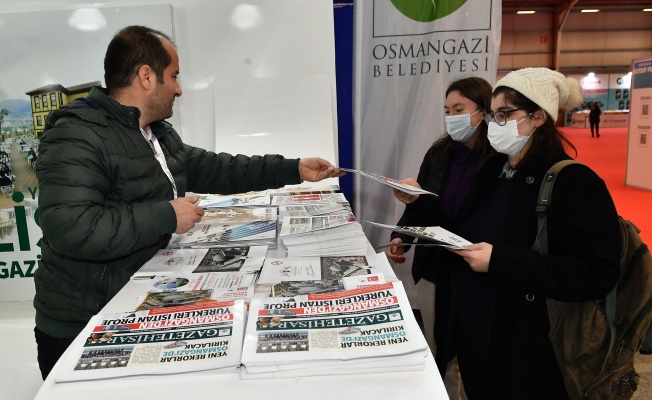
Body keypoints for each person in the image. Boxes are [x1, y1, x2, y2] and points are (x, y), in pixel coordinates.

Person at [33, 25, 344, 380]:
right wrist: (165, 215)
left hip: (132, 303)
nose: (179, 89)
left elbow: (219, 169)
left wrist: (293, 168)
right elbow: (71, 228)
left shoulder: (154, 132)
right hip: (83, 324)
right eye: (174, 76)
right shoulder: (77, 133)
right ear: (146, 77)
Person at [437, 68, 621, 399]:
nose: (495, 124)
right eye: (493, 115)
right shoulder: (493, 170)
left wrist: (500, 262)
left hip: (531, 358)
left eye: (506, 114)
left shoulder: (574, 183)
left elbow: (596, 272)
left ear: (537, 117)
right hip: (480, 345)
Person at [385, 77, 503, 400]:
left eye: (459, 109)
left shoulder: (498, 160)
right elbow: (422, 202)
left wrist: (420, 204)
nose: (452, 116)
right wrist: (401, 237)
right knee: (439, 352)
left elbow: (468, 220)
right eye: (447, 110)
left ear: (483, 111)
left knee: (475, 352)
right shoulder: (438, 153)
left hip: (474, 274)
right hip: (433, 270)